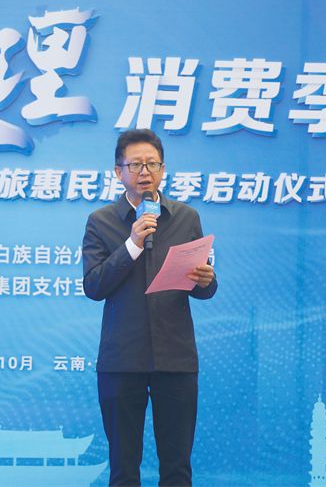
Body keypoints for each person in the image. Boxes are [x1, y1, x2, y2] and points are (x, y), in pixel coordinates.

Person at [82, 128, 218, 486]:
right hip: (121, 360)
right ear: (118, 172)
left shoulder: (186, 218)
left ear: (163, 169)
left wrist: (206, 279)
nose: (145, 172)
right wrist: (132, 244)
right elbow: (94, 286)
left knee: (177, 467)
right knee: (124, 468)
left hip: (176, 358)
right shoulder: (101, 222)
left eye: (152, 164)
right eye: (136, 165)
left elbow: (204, 290)